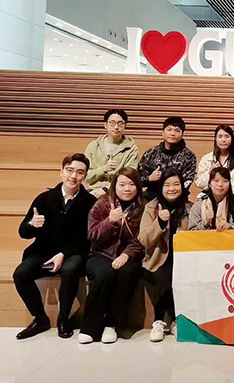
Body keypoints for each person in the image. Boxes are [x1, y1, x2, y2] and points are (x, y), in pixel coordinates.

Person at [14, 154, 97, 340]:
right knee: (21, 273)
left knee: (70, 268)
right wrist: (32, 224)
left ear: (85, 176)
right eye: (69, 170)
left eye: (80, 172)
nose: (73, 176)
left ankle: (64, 319)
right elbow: (23, 232)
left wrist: (63, 254)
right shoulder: (44, 198)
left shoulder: (90, 202)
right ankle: (40, 319)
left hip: (74, 252)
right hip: (43, 251)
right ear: (61, 171)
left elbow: (88, 238)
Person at [78, 168, 145, 344]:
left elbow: (144, 238)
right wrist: (110, 222)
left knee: (125, 274)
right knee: (104, 274)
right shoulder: (102, 204)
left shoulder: (143, 207)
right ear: (114, 186)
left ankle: (111, 324)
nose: (127, 189)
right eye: (122, 184)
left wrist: (127, 254)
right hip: (100, 253)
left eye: (131, 184)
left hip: (130, 255)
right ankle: (89, 328)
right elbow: (92, 235)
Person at [138, 169, 191, 342]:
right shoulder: (152, 207)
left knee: (176, 273)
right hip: (156, 259)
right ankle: (160, 321)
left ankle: (173, 320)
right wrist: (159, 222)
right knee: (163, 274)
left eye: (176, 184)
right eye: (167, 185)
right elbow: (144, 239)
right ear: (161, 187)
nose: (172, 188)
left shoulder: (189, 208)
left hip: (183, 259)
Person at [138, 116, 197, 201]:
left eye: (177, 131)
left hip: (177, 198)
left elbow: (187, 182)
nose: (172, 133)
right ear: (163, 133)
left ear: (182, 134)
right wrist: (150, 178)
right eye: (169, 130)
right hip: (151, 197)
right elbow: (138, 179)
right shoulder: (151, 153)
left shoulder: (189, 156)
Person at [84, 109, 139, 198]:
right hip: (94, 191)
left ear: (125, 126)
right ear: (105, 125)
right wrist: (104, 169)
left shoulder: (131, 149)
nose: (116, 127)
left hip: (119, 192)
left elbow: (130, 177)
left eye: (120, 123)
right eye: (112, 123)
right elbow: (86, 176)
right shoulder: (94, 146)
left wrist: (106, 189)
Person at [195, 125, 234, 198]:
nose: (223, 140)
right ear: (215, 139)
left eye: (227, 136)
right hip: (208, 197)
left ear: (232, 139)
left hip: (230, 198)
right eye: (220, 136)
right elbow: (199, 183)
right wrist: (209, 172)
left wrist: (221, 194)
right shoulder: (206, 158)